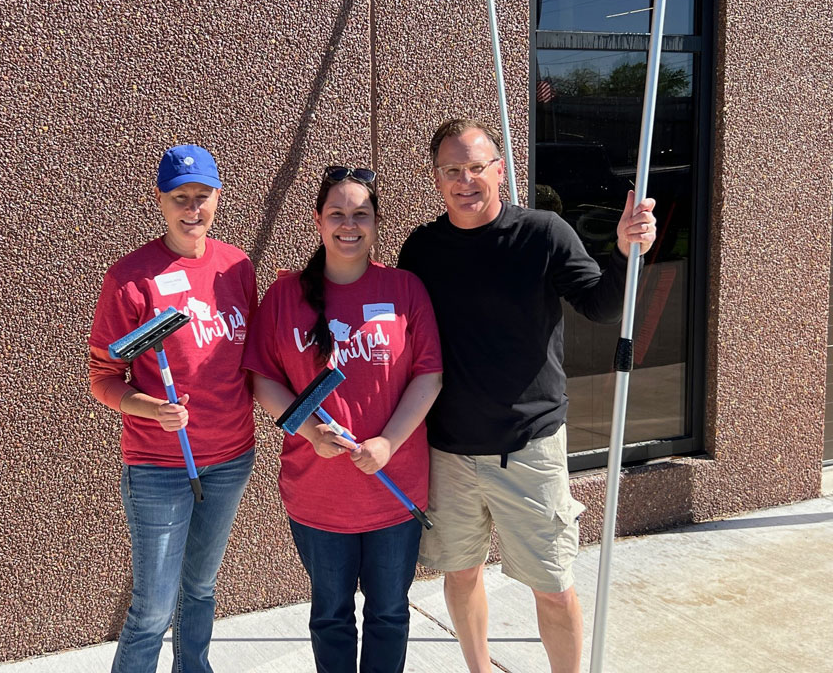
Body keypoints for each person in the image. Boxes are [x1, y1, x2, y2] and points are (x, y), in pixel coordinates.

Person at [397, 119, 657, 673]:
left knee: (554, 585)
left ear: (498, 169)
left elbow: (601, 305)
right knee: (461, 573)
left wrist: (623, 252)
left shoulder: (543, 233)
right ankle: (480, 668)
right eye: (451, 170)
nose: (465, 180)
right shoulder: (421, 249)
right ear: (434, 177)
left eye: (475, 167)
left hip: (530, 448)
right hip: (450, 451)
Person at [242, 166, 442, 673]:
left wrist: (388, 445)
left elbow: (429, 376)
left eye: (360, 214)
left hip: (393, 488)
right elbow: (263, 379)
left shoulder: (405, 289)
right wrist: (308, 430)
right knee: (331, 616)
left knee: (389, 614)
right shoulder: (285, 296)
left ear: (376, 224)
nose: (348, 224)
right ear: (317, 220)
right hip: (318, 495)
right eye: (337, 213)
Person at [88, 144, 257, 673]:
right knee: (153, 607)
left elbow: (253, 358)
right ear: (161, 202)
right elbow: (103, 379)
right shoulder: (129, 278)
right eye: (180, 197)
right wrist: (150, 408)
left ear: (217, 198)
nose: (192, 209)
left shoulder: (236, 267)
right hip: (159, 465)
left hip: (230, 458)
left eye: (202, 197)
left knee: (201, 588)